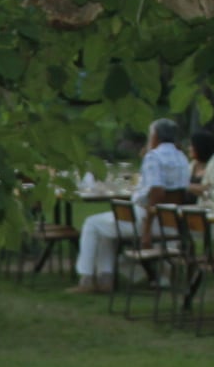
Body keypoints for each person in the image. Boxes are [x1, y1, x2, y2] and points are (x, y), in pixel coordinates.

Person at [72, 118, 194, 294]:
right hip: (172, 223)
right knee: (105, 229)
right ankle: (106, 278)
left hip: (148, 220)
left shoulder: (154, 156)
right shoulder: (181, 157)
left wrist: (145, 231)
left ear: (155, 137)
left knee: (92, 223)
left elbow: (157, 193)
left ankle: (86, 278)